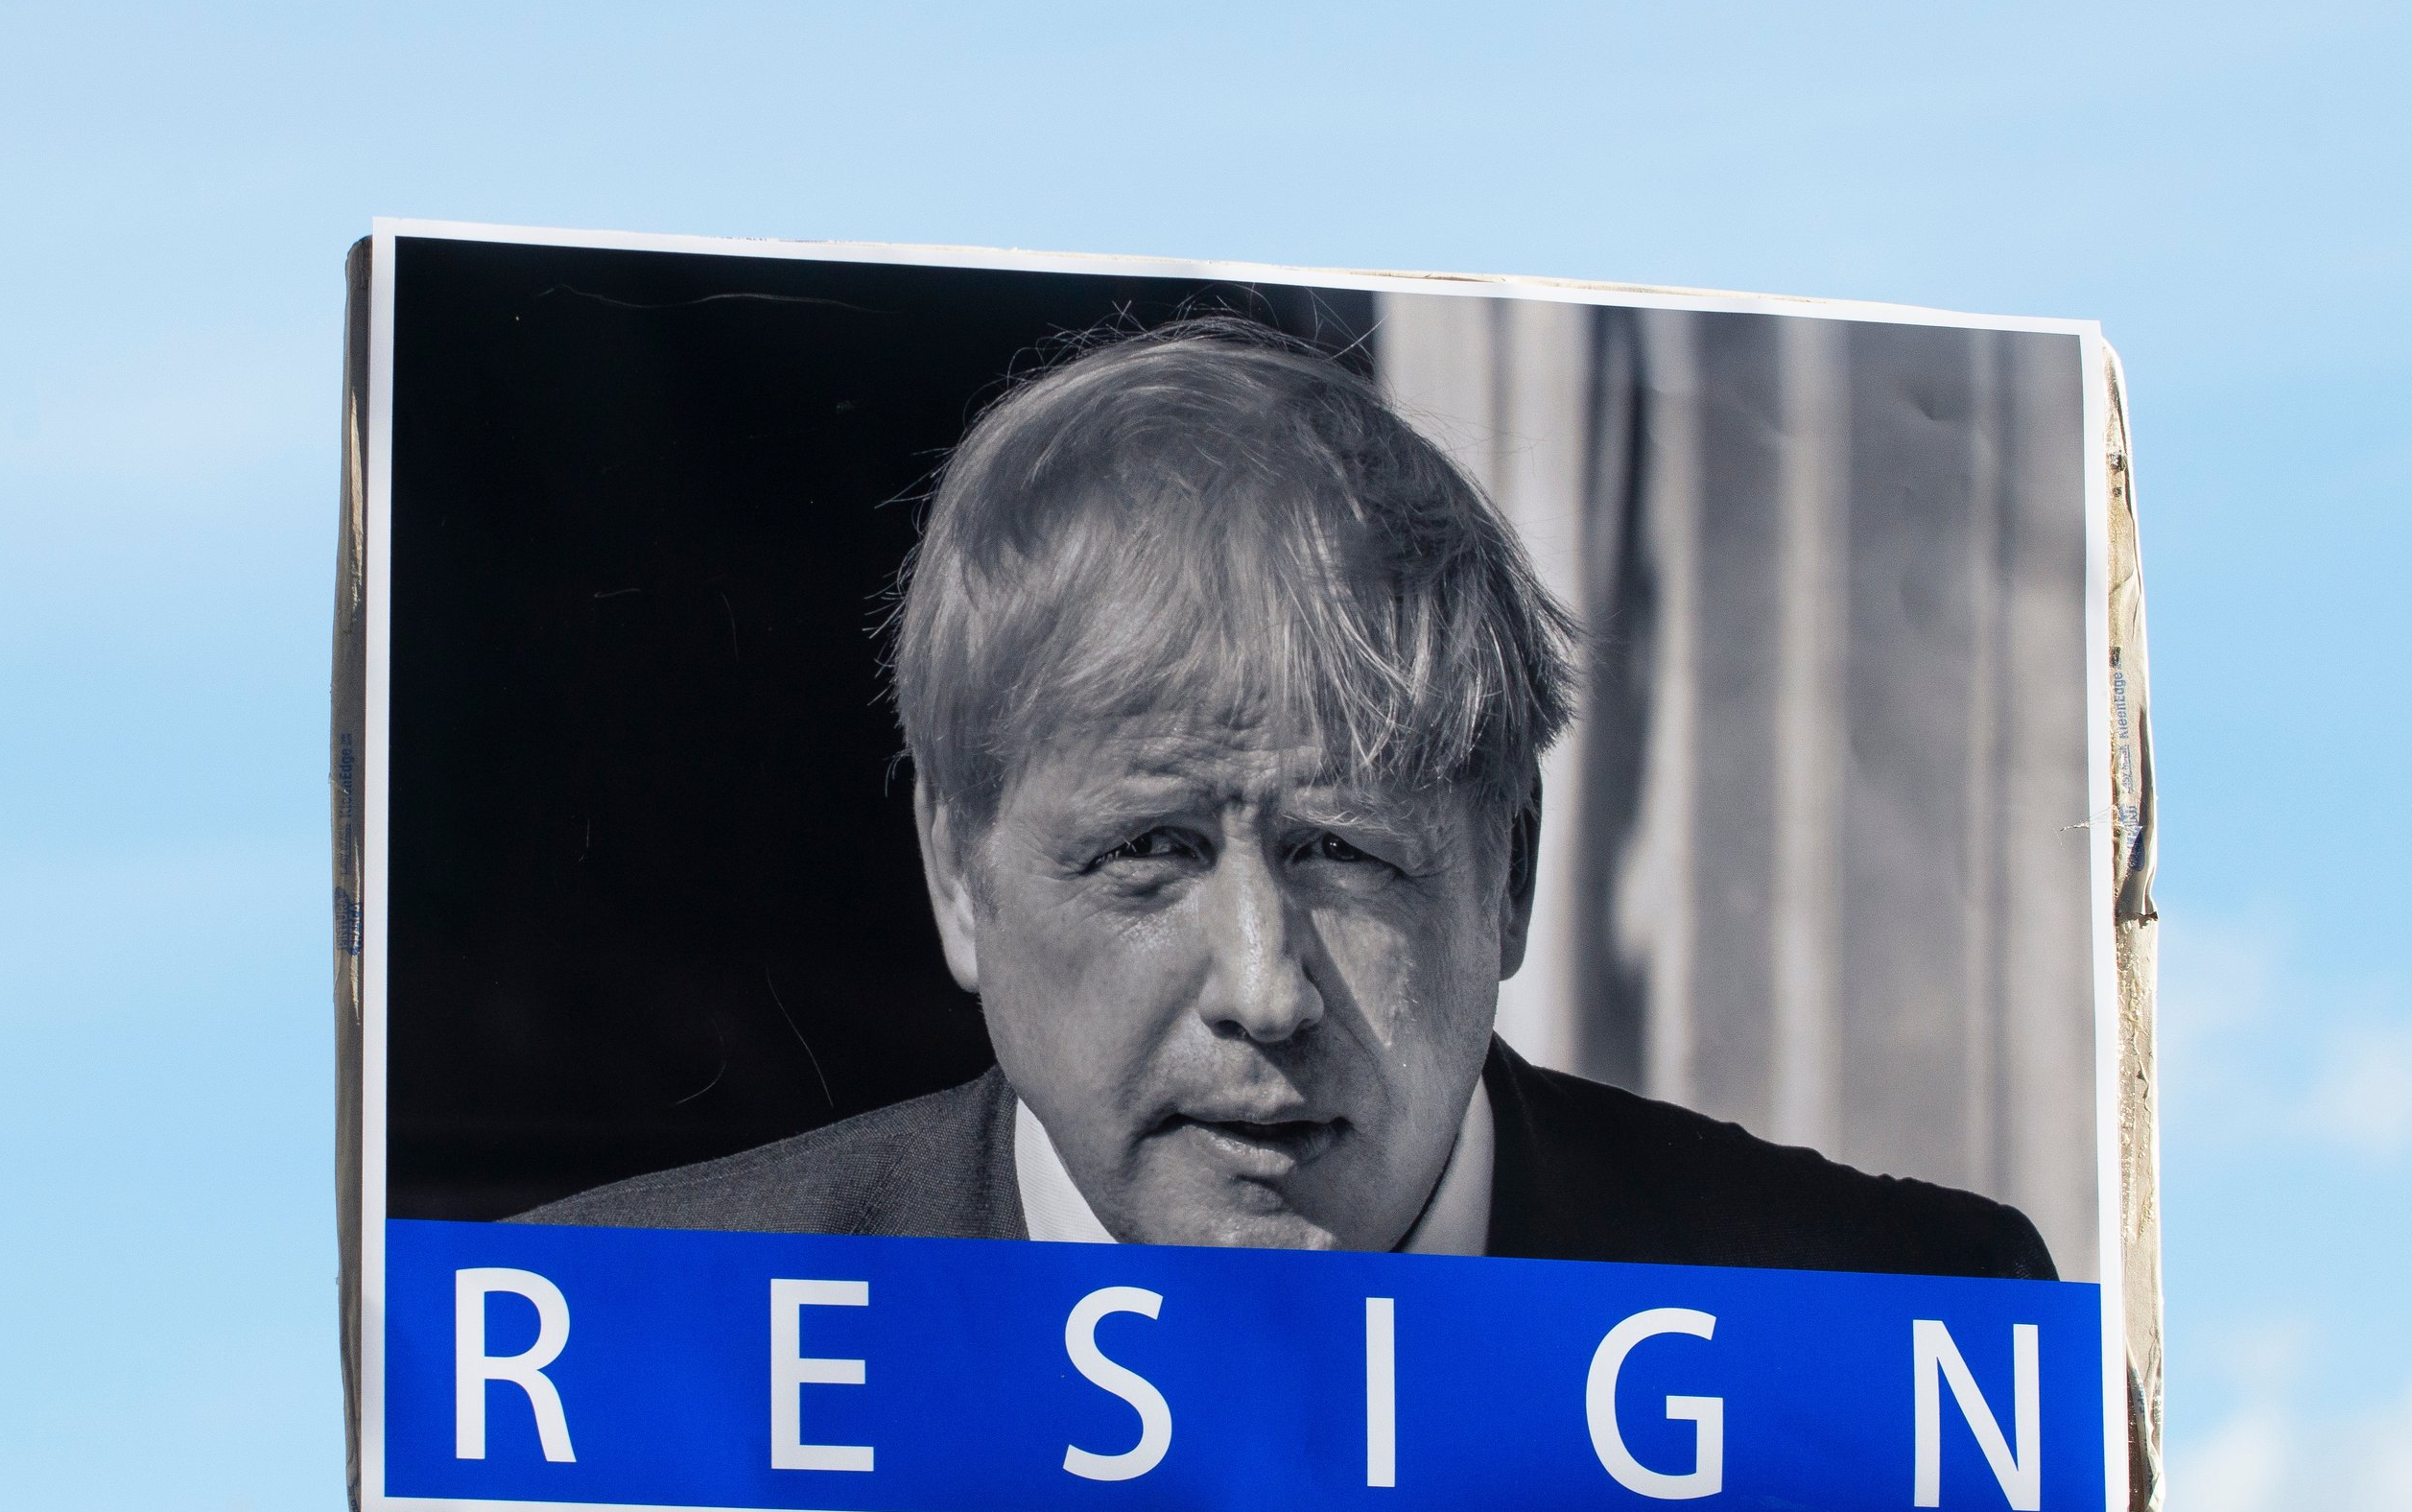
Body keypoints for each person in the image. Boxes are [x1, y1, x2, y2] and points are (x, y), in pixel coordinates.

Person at [520, 318, 2054, 1278]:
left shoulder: (1918, 1322)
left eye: (1342, 850)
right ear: (957, 877)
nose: (1264, 991)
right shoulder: (613, 1328)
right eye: (1148, 851)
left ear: (1509, 876)